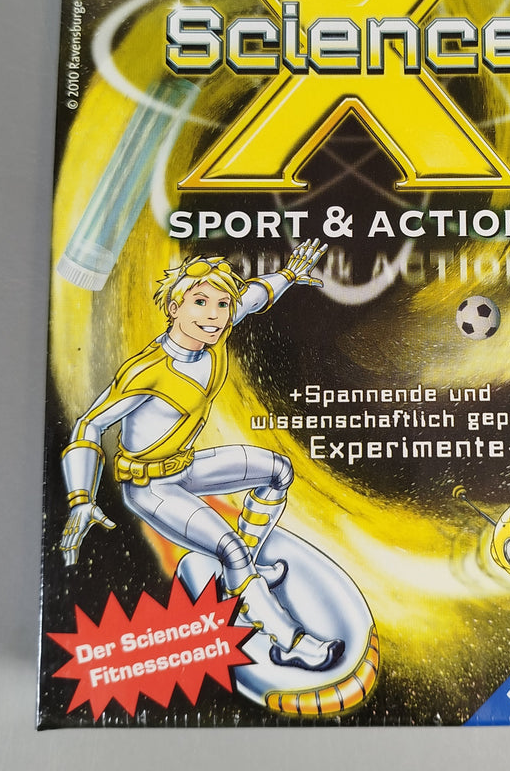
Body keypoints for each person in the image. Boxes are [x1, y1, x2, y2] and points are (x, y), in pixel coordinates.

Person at [59, 239, 344, 673]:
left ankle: (242, 574)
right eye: (200, 303)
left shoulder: (217, 331)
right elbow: (88, 426)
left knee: (278, 472)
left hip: (185, 465)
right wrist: (81, 499)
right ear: (174, 308)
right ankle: (290, 643)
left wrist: (288, 275)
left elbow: (253, 296)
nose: (213, 315)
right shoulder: (147, 371)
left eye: (221, 305)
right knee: (229, 548)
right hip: (149, 487)